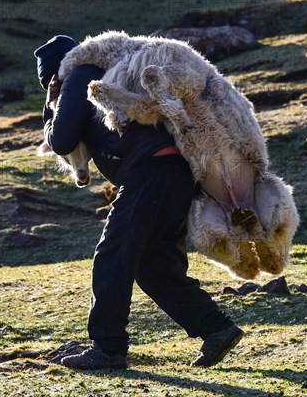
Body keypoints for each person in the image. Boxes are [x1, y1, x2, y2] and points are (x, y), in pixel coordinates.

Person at [34, 35, 244, 370]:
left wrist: (52, 105)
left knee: (112, 255)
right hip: (174, 173)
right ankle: (216, 329)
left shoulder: (78, 74)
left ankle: (108, 348)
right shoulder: (109, 71)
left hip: (152, 172)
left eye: (50, 82)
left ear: (56, 72)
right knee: (153, 266)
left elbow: (61, 140)